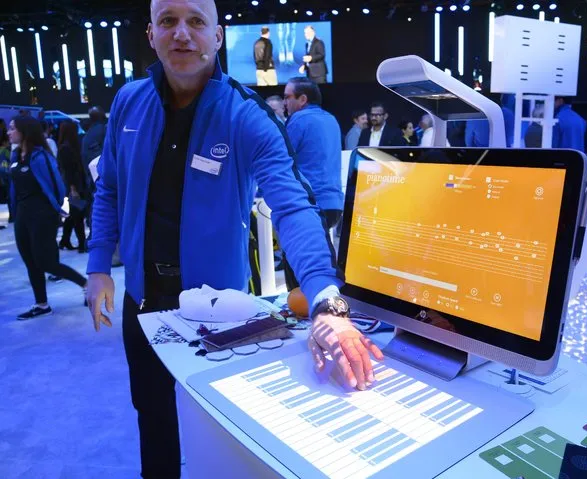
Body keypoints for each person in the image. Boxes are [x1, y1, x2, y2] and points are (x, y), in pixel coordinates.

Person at [86, 1, 383, 477]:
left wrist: (328, 298)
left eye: (196, 22)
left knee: (218, 423)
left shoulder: (246, 115)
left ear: (218, 36)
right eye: (168, 21)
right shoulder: (128, 101)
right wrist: (99, 265)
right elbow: (110, 188)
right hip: (141, 300)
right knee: (152, 413)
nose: (182, 33)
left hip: (219, 309)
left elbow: (292, 206)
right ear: (151, 34)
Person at [7, 116, 87, 320]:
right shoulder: (16, 155)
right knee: (30, 262)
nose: (9, 132)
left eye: (12, 128)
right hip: (22, 215)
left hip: (43, 215)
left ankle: (86, 285)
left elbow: (57, 186)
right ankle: (41, 304)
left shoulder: (41, 156)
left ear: (24, 131)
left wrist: (57, 209)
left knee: (47, 262)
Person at [283, 77, 343, 290]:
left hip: (310, 204)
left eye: (287, 97)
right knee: (324, 260)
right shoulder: (332, 120)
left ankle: (305, 314)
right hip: (334, 203)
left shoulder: (298, 120)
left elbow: (280, 157)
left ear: (302, 99)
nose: (284, 103)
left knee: (298, 262)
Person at [57, 120, 88, 252]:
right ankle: (81, 244)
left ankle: (65, 240)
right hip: (73, 185)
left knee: (71, 215)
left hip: (71, 184)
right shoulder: (67, 148)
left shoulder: (66, 147)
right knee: (77, 214)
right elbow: (69, 170)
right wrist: (73, 188)